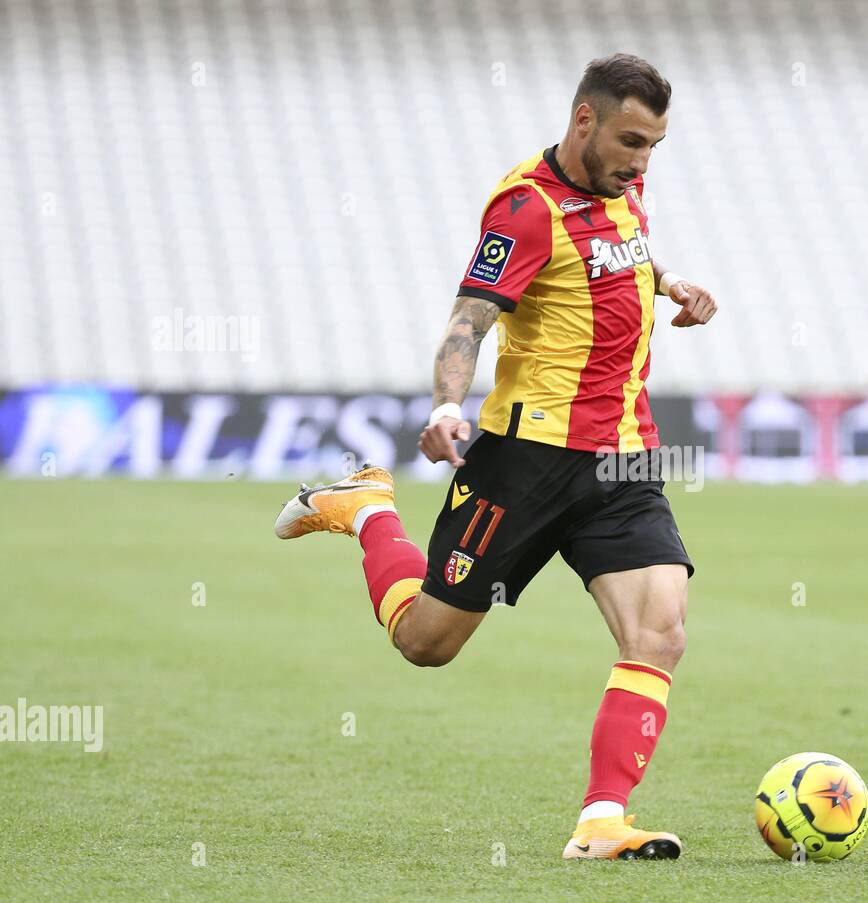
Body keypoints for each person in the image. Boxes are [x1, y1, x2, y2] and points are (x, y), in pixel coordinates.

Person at [275, 54, 717, 860]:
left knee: (660, 633)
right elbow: (468, 323)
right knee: (426, 642)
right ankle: (367, 506)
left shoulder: (623, 184)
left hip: (622, 459)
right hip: (524, 462)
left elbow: (622, 253)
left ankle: (602, 820)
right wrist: (448, 404)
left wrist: (669, 280)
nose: (643, 161)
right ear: (583, 120)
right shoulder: (524, 209)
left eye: (654, 145)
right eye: (630, 141)